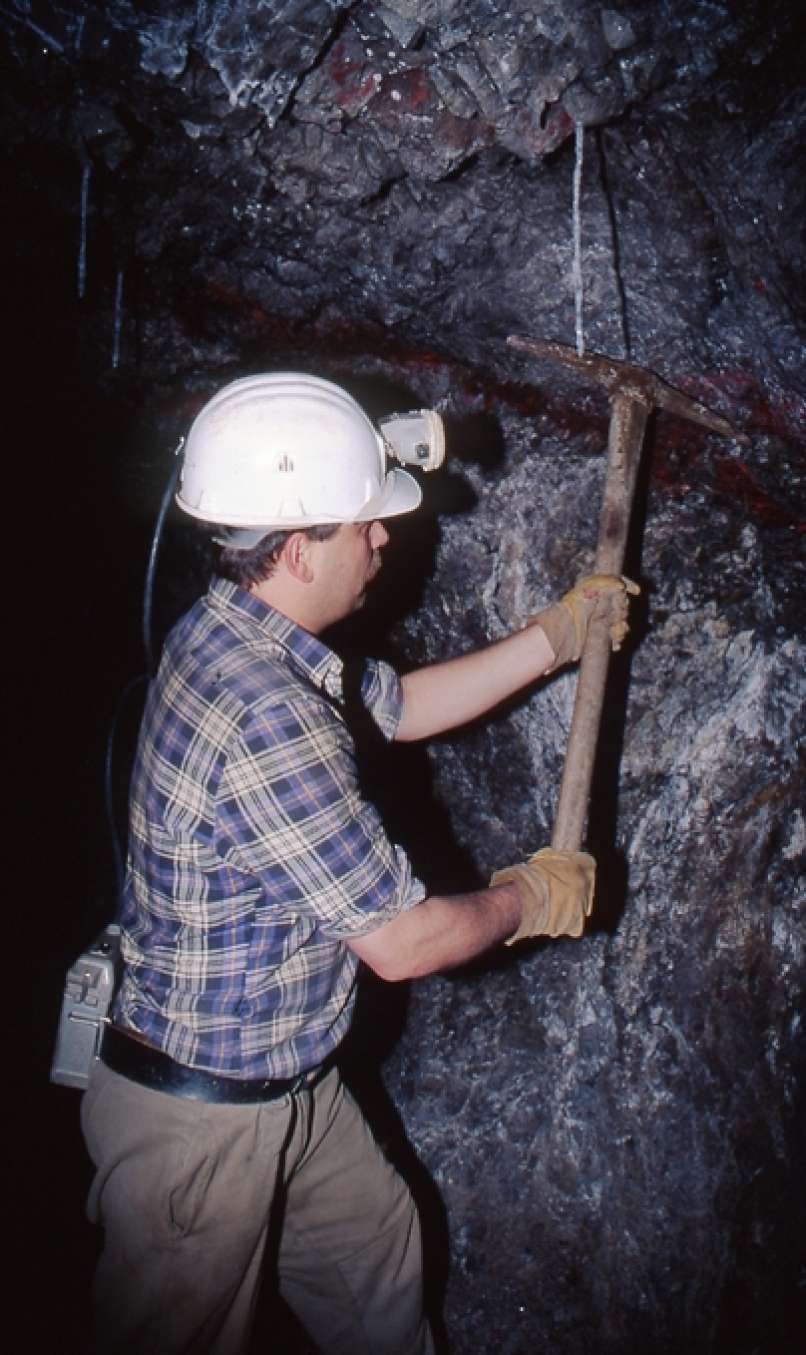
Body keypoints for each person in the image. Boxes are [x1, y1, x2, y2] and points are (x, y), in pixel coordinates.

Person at [81, 372, 637, 1355]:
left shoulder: (244, 630)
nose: (382, 537)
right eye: (360, 525)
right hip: (198, 1129)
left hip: (288, 1076)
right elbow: (401, 941)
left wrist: (557, 636)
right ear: (295, 548)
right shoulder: (267, 716)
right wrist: (530, 895)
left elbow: (401, 704)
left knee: (379, 1269)